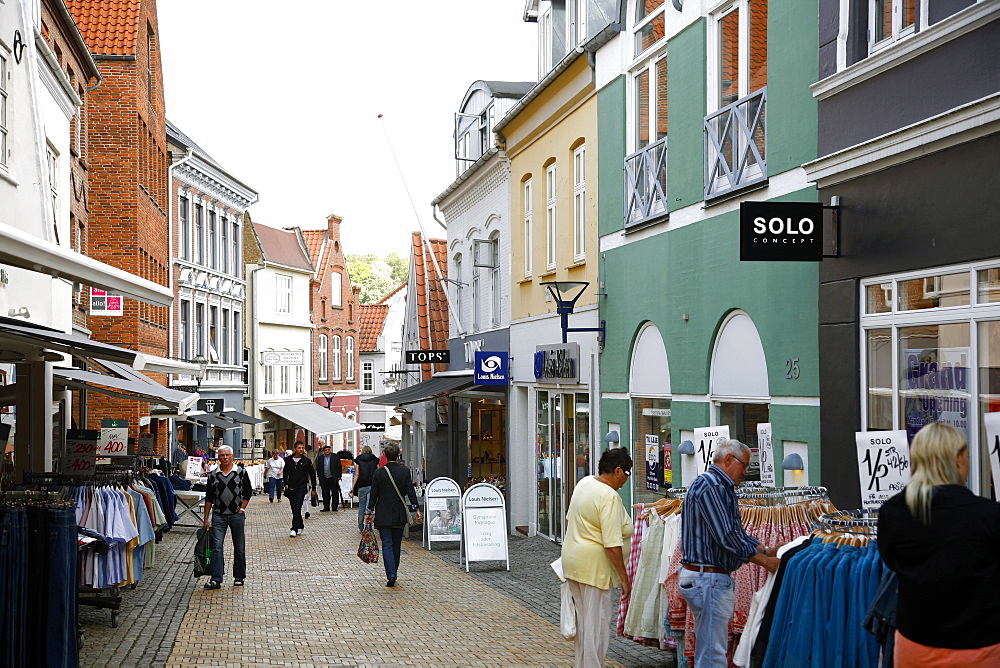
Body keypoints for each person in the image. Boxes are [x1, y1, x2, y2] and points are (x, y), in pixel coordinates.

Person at [878, 422, 1000, 666]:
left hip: (914, 644)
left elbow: (892, 562)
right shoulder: (988, 515)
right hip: (977, 648)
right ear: (956, 459)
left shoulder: (893, 512)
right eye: (967, 455)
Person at [679, 439, 780, 667]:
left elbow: (735, 533)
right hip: (708, 579)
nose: (745, 472)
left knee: (709, 650)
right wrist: (766, 562)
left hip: (705, 578)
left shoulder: (716, 485)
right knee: (713, 655)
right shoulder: (714, 486)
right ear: (728, 460)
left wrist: (765, 548)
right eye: (744, 465)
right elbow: (727, 537)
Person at [561, 447, 634, 668]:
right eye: (628, 474)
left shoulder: (584, 484)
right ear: (618, 471)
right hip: (595, 570)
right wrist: (624, 577)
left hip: (573, 562)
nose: (626, 481)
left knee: (584, 624)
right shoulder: (609, 496)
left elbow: (569, 520)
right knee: (597, 627)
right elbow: (612, 544)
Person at [366, 444, 422, 587]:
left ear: (384, 454)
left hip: (383, 512)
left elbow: (374, 494)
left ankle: (391, 574)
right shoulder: (404, 472)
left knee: (387, 544)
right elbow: (410, 491)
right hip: (398, 513)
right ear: (398, 455)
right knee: (396, 544)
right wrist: (416, 509)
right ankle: (393, 572)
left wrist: (369, 510)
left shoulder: (379, 473)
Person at [201, 445, 252, 589]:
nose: (224, 457)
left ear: (232, 456)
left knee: (239, 547)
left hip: (236, 515)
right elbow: (209, 497)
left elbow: (248, 492)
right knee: (216, 548)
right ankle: (216, 578)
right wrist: (206, 518)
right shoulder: (213, 475)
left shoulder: (241, 472)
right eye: (222, 455)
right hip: (218, 515)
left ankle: (239, 576)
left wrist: (242, 509)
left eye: (227, 455)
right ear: (218, 457)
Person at [282, 441, 317, 537]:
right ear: (295, 449)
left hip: (301, 487)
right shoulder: (288, 460)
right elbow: (285, 473)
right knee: (294, 508)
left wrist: (314, 488)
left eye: (302, 447)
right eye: (299, 448)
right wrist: (285, 484)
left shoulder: (306, 461)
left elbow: (312, 475)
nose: (301, 449)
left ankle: (294, 528)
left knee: (297, 506)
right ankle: (300, 525)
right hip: (291, 487)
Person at [352, 445, 380, 531]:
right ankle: (369, 525)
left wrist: (353, 487)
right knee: (370, 506)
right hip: (372, 486)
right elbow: (378, 473)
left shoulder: (359, 460)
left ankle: (360, 526)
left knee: (361, 507)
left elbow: (357, 474)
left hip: (361, 486)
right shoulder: (375, 460)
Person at [316, 445, 341, 512]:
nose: (327, 451)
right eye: (326, 450)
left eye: (328, 450)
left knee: (335, 493)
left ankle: (334, 507)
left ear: (330, 450)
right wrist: (319, 476)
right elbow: (318, 467)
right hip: (324, 478)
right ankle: (326, 507)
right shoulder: (320, 458)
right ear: (323, 451)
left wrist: (339, 476)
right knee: (325, 493)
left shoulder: (335, 457)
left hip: (333, 478)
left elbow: (339, 467)